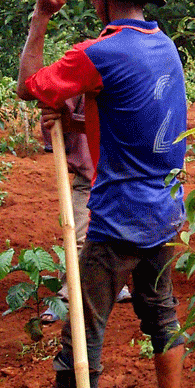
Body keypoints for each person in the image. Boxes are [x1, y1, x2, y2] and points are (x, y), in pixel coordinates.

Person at [1, 0, 187, 388]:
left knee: (84, 325)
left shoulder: (97, 53)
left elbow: (27, 87)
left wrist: (40, 19)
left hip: (118, 214)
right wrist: (74, 119)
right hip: (165, 208)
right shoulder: (163, 45)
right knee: (161, 312)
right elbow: (133, 116)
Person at [38, 94, 130, 325]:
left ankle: (114, 285)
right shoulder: (74, 83)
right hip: (90, 177)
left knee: (118, 235)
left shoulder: (121, 78)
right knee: (78, 237)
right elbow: (54, 120)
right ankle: (65, 299)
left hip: (119, 176)